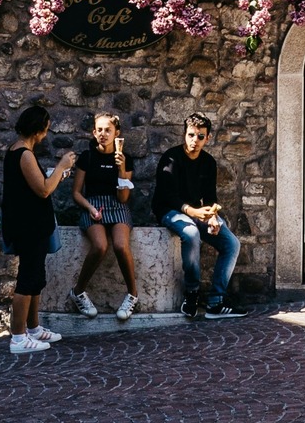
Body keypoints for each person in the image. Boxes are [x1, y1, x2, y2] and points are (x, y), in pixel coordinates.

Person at [153, 112, 247, 320]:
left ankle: (215, 302)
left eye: (200, 136)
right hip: (170, 211)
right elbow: (168, 197)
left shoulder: (208, 162)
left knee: (232, 244)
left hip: (197, 213)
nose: (195, 141)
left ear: (208, 137)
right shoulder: (171, 158)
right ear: (184, 135)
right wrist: (194, 212)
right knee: (191, 233)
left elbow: (211, 198)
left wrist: (213, 217)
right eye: (191, 135)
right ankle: (192, 293)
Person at [2, 105, 79, 354]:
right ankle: (17, 337)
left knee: (36, 277)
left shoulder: (17, 151)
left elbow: (33, 184)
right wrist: (62, 165)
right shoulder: (23, 153)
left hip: (32, 224)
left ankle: (33, 328)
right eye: (45, 130)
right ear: (38, 130)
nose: (46, 134)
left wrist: (56, 174)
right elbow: (44, 189)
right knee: (27, 278)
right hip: (28, 226)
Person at [69, 113, 139, 322]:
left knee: (120, 245)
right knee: (100, 246)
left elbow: (124, 197)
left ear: (117, 134)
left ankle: (132, 296)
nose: (103, 134)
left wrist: (121, 169)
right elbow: (76, 193)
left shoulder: (126, 159)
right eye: (99, 130)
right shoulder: (87, 157)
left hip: (117, 205)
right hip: (93, 205)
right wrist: (90, 207)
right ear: (93, 132)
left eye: (108, 130)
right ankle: (78, 291)